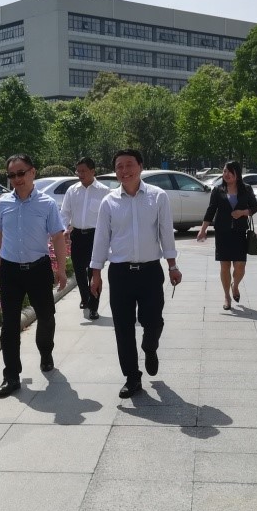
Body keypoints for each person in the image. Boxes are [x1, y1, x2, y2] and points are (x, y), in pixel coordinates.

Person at [89, 149, 182, 398]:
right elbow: (101, 239)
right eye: (119, 166)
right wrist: (95, 274)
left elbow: (166, 233)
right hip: (120, 273)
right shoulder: (109, 202)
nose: (124, 170)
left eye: (129, 165)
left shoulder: (157, 196)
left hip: (150, 272)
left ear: (140, 166)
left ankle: (150, 348)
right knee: (123, 327)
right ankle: (132, 377)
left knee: (154, 321)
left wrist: (172, 266)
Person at [0, 154, 68, 397]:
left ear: (33, 172)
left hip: (38, 269)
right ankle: (11, 376)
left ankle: (46, 352)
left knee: (46, 316)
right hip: (10, 271)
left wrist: (61, 269)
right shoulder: (3, 202)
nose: (17, 179)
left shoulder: (47, 203)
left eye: (21, 173)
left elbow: (57, 236)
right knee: (9, 325)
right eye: (12, 175)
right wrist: (0, 255)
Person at [196, 160, 257, 310]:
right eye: (224, 171)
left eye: (230, 171)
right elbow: (211, 210)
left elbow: (254, 207)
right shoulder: (218, 190)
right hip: (222, 233)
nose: (227, 174)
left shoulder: (246, 189)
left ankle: (235, 285)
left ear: (237, 174)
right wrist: (203, 229)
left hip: (239, 232)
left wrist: (242, 212)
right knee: (225, 265)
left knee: (240, 266)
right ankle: (226, 296)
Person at [61, 157, 110, 320]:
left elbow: (108, 217)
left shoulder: (104, 191)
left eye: (84, 171)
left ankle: (94, 307)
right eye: (78, 171)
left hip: (95, 236)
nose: (80, 174)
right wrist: (64, 229)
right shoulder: (72, 190)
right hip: (77, 235)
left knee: (94, 272)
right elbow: (65, 212)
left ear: (92, 171)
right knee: (79, 270)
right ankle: (85, 298)